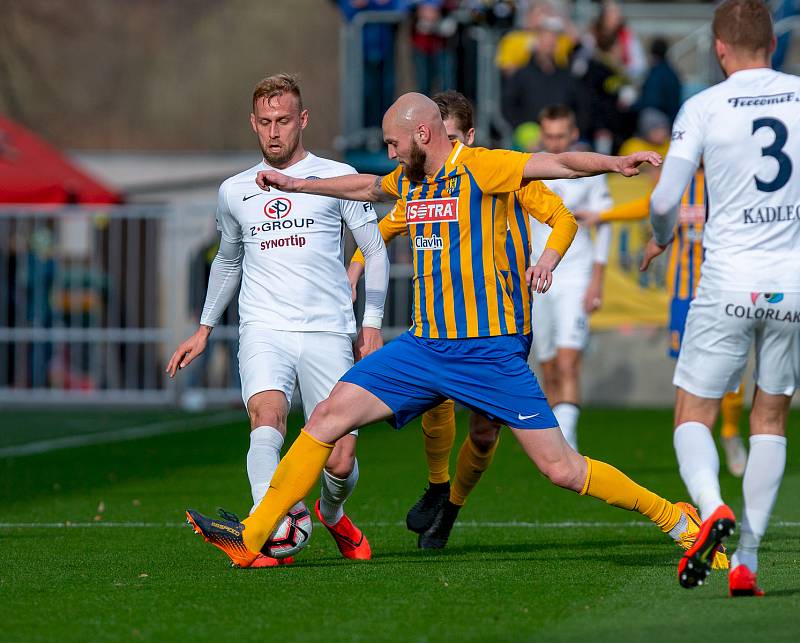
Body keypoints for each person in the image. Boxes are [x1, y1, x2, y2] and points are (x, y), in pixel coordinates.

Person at [186, 92, 723, 576]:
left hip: (489, 352)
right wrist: (298, 183)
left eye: (395, 143)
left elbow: (555, 163)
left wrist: (613, 163)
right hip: (424, 347)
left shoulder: (484, 167)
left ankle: (674, 517)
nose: (391, 153)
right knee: (328, 416)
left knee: (562, 469)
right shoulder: (411, 181)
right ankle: (253, 536)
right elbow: (367, 186)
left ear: (423, 134)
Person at [168, 73, 389, 566]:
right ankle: (265, 533)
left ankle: (331, 515)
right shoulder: (234, 190)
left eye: (283, 121)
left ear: (302, 120)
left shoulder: (336, 175)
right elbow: (228, 261)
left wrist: (371, 323)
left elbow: (374, 251)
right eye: (265, 122)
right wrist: (204, 328)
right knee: (266, 416)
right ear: (253, 123)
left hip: (328, 329)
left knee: (340, 457)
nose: (274, 132)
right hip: (263, 327)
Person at [347, 90, 577, 548]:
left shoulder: (501, 172)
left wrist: (547, 261)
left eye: (452, 138)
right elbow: (383, 229)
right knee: (434, 397)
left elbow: (563, 218)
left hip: (499, 323)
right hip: (441, 324)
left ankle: (451, 504)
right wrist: (353, 271)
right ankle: (436, 485)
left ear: (467, 137)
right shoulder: (422, 181)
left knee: (484, 434)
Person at [640, 0, 800, 595]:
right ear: (774, 45)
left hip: (728, 280)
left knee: (693, 413)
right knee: (770, 416)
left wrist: (661, 241)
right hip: (792, 283)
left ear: (720, 49)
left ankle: (711, 509)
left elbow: (663, 203)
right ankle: (748, 562)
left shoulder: (704, 106)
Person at [578, 170, 750, 479]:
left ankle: (730, 432)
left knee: (730, 371)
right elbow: (650, 204)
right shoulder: (679, 180)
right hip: (684, 295)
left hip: (724, 290)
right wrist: (606, 214)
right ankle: (697, 443)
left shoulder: (729, 175)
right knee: (688, 370)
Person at [529, 105, 612, 451]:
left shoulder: (588, 171)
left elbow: (603, 223)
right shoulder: (528, 169)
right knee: (547, 367)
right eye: (549, 136)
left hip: (575, 274)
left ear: (573, 134)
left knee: (568, 362)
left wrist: (597, 279)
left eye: (561, 135)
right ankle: (557, 443)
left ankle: (568, 443)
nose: (555, 141)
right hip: (535, 277)